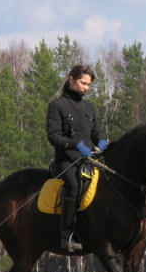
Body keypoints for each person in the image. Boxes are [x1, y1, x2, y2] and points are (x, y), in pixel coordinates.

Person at [46, 64, 108, 251]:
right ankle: (66, 236)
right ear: (71, 79)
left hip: (89, 159)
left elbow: (98, 132)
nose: (86, 88)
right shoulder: (57, 106)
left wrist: (103, 143)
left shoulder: (89, 107)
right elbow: (53, 136)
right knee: (74, 185)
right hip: (67, 160)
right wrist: (76, 146)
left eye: (88, 85)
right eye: (83, 83)